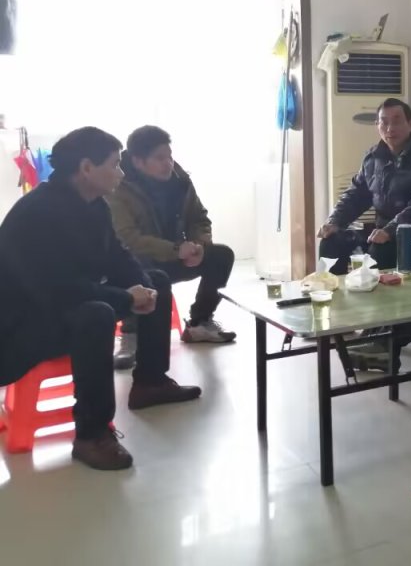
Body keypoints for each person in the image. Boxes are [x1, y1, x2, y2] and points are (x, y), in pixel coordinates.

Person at [0, 127, 201, 471]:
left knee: (155, 279)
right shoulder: (39, 213)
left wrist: (142, 287)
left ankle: (150, 382)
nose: (121, 173)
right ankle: (91, 435)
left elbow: (117, 256)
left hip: (57, 306)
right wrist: (125, 297)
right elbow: (60, 290)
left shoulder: (93, 205)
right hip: (19, 327)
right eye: (114, 164)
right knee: (96, 314)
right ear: (86, 168)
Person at [319, 98, 411, 361]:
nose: (390, 128)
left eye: (397, 121)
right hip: (383, 230)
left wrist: (390, 229)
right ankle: (338, 318)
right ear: (377, 126)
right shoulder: (375, 156)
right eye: (383, 122)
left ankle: (380, 339)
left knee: (381, 249)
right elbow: (356, 194)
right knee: (332, 242)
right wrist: (334, 221)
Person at [108, 126, 236, 368]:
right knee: (136, 265)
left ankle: (200, 322)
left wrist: (198, 246)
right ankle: (131, 334)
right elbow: (128, 239)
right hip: (143, 258)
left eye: (169, 156)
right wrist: (176, 249)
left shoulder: (180, 180)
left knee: (221, 255)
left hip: (177, 255)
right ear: (138, 161)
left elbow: (199, 218)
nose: (168, 163)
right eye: (159, 158)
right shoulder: (118, 186)